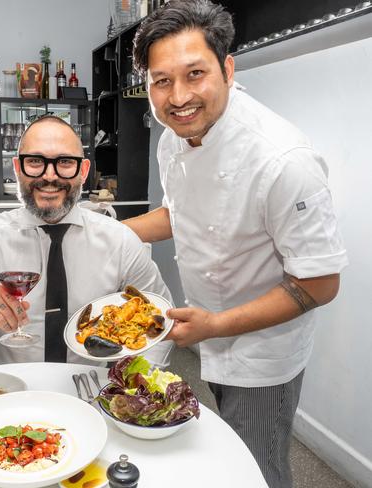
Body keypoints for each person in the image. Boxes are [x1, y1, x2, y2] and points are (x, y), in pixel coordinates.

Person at [124, 1, 348, 487]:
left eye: (194, 74)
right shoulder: (173, 136)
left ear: (227, 68)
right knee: (226, 458)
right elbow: (182, 215)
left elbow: (321, 281)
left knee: (258, 469)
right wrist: (108, 233)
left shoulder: (284, 160)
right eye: (161, 80)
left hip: (263, 351)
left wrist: (216, 324)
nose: (178, 96)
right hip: (210, 332)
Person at [0, 115, 172, 365]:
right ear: (17, 168)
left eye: (65, 162)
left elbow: (163, 319)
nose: (50, 176)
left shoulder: (120, 240)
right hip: (7, 391)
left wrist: (131, 383)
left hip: (89, 390)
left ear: (83, 171)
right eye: (36, 161)